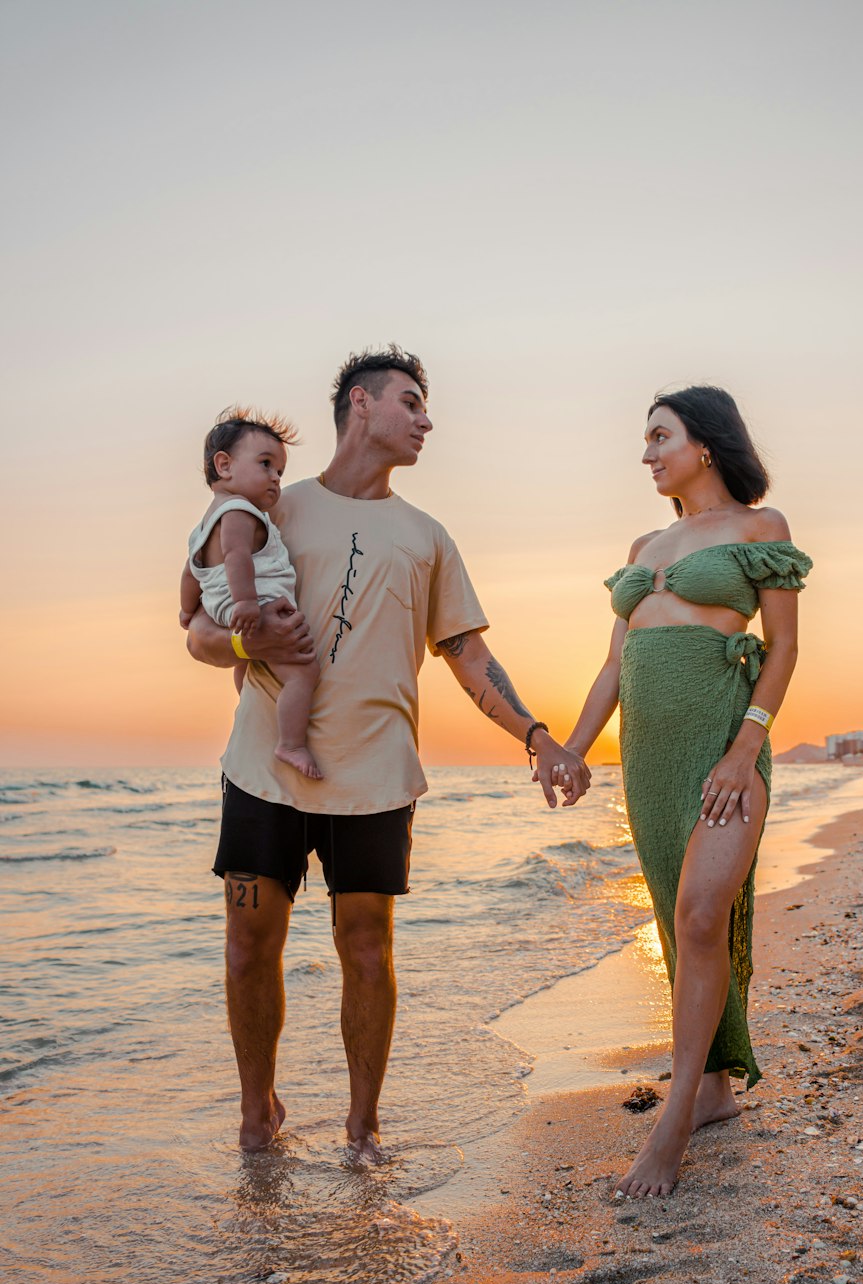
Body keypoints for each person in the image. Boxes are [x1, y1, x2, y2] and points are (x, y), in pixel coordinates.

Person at [184, 345, 590, 1155]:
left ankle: (363, 1126)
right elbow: (196, 630)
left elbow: (470, 658)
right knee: (245, 946)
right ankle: (256, 1109)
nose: (427, 419)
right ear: (361, 407)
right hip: (264, 766)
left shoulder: (426, 535)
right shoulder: (271, 504)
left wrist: (538, 737)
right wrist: (244, 640)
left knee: (367, 952)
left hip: (374, 779)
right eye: (412, 401)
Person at [565, 385, 811, 1198]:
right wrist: (572, 747)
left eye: (659, 436)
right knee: (679, 919)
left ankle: (673, 1120)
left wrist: (747, 748)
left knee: (704, 911)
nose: (647, 453)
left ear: (705, 443)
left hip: (719, 743)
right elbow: (613, 663)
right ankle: (711, 1090)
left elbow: (781, 651)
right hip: (646, 755)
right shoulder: (644, 541)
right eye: (644, 440)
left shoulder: (758, 529)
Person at [180, 407, 323, 780]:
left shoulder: (201, 527)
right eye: (265, 464)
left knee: (247, 664)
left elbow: (190, 571)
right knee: (302, 674)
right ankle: (290, 743)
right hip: (256, 607)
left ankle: (249, 701)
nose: (275, 478)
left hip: (224, 611)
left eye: (280, 471)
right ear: (224, 465)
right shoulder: (241, 512)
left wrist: (186, 610)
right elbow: (236, 556)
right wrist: (245, 603)